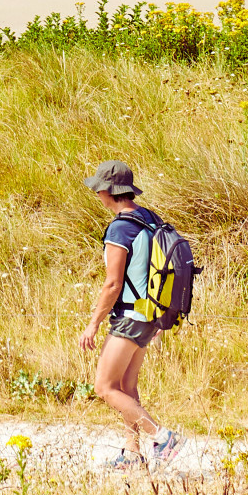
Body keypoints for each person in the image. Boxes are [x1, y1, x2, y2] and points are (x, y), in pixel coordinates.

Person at [76, 160, 182, 468]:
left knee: (104, 387)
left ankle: (163, 437)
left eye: (98, 189)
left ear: (108, 191)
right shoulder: (149, 218)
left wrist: (93, 324)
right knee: (126, 386)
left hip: (130, 317)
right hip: (150, 314)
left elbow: (113, 283)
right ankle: (132, 453)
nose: (97, 194)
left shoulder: (120, 228)